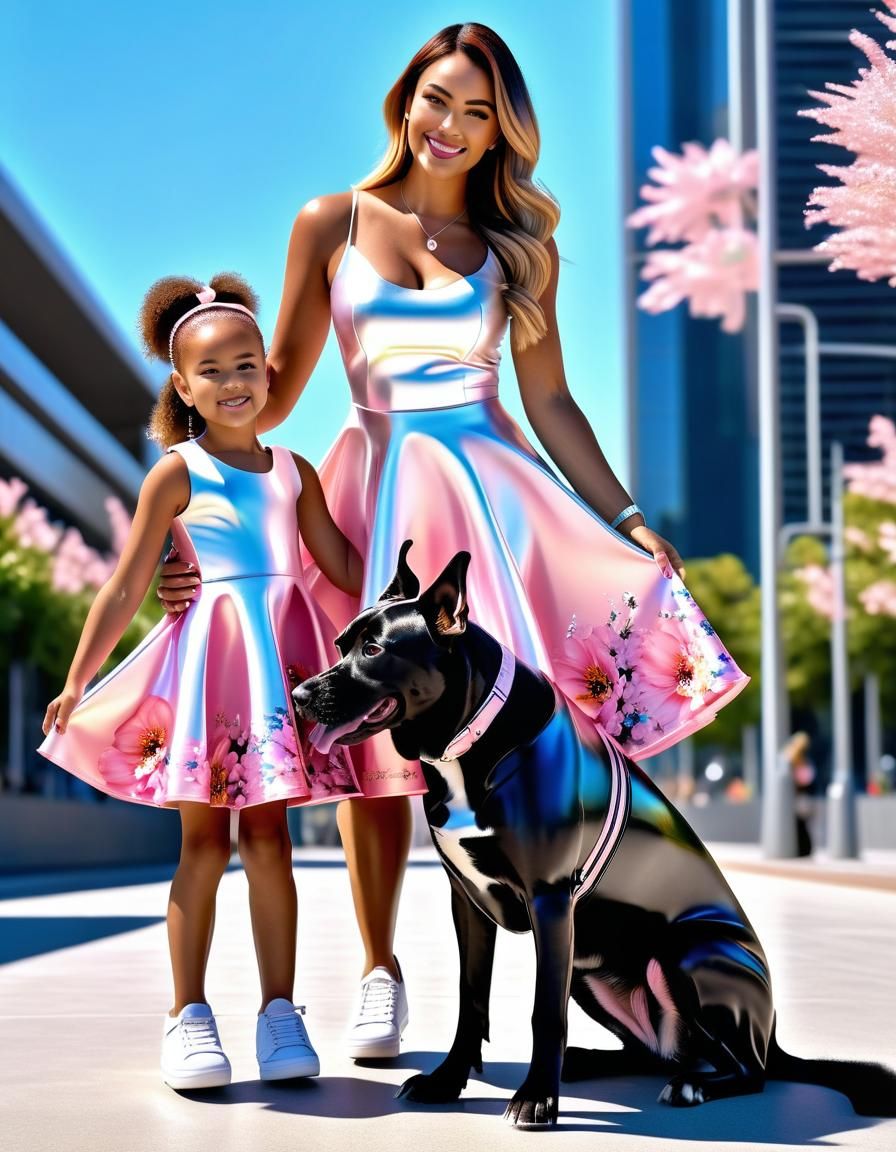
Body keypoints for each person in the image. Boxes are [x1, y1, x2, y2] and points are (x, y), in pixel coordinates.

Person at [156, 23, 749, 1061]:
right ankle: (379, 973)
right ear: (405, 99)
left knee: (508, 738)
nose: (452, 126)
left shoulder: (518, 246)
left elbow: (551, 400)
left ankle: (570, 974)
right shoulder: (330, 221)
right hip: (370, 496)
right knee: (374, 743)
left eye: (479, 113)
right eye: (439, 99)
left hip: (492, 506)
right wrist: (183, 520)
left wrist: (625, 519)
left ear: (501, 132)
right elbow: (266, 398)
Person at [37, 272, 412, 1090]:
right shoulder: (175, 473)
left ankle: (280, 1013)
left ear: (268, 372)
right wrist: (77, 679)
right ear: (183, 387)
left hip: (274, 673)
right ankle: (187, 1014)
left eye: (247, 365)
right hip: (209, 674)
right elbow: (126, 585)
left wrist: (414, 567)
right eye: (211, 371)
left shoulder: (294, 471)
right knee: (203, 844)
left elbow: (345, 567)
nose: (233, 382)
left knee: (270, 841)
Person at [784, 731, 816, 857]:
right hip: (798, 797)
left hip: (797, 797)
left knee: (800, 825)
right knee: (800, 825)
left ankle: (803, 849)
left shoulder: (796, 760)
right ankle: (804, 850)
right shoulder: (796, 760)